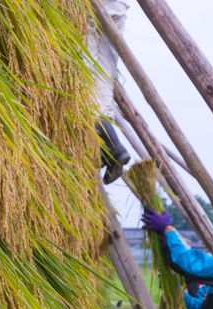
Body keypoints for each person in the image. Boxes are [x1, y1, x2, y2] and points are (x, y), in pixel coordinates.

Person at [87, 0, 131, 183]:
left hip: (86, 7)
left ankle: (112, 146)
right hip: (117, 8)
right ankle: (108, 149)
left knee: (85, 77)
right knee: (104, 81)